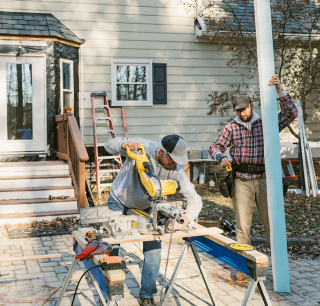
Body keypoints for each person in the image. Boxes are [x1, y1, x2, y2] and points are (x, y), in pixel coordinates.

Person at [208, 74, 298, 282]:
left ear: (251, 105)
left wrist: (280, 90)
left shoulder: (266, 122)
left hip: (266, 179)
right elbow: (215, 146)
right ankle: (244, 267)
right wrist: (221, 156)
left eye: (244, 108)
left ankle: (278, 270)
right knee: (242, 227)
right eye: (238, 110)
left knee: (272, 225)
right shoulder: (231, 127)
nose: (242, 113)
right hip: (241, 181)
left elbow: (291, 113)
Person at [104, 135, 203, 306]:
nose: (176, 164)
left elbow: (195, 199)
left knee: (153, 246)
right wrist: (123, 144)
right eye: (173, 160)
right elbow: (108, 144)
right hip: (119, 200)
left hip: (145, 206)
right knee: (112, 246)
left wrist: (184, 220)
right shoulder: (141, 146)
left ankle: (147, 295)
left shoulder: (176, 169)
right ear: (162, 151)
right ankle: (109, 290)